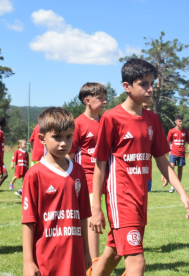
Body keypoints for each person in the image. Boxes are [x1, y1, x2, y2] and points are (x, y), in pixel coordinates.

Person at [90, 58, 189, 276]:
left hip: (140, 197)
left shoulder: (152, 119)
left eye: (152, 83)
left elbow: (162, 160)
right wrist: (95, 206)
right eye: (144, 84)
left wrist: (182, 193)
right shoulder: (111, 118)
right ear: (127, 87)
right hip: (121, 197)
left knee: (114, 251)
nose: (150, 89)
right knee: (137, 261)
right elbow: (100, 163)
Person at [22, 107, 91, 276]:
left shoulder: (79, 172)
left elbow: (83, 215)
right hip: (47, 257)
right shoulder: (35, 174)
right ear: (42, 139)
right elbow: (28, 221)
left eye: (68, 137)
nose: (63, 143)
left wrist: (86, 251)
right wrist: (28, 262)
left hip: (75, 255)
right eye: (57, 137)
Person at [68, 82, 107, 268]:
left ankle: (98, 263)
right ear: (87, 100)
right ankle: (92, 265)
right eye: (100, 98)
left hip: (109, 179)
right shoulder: (78, 124)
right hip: (88, 179)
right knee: (93, 219)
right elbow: (68, 155)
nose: (105, 101)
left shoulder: (107, 121)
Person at [163, 115, 189, 193]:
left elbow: (188, 142)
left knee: (180, 171)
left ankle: (178, 187)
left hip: (182, 154)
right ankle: (173, 186)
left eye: (182, 121)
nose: (181, 122)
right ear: (175, 122)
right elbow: (167, 142)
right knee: (171, 168)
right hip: (173, 153)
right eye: (179, 121)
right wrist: (165, 152)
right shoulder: (172, 131)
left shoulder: (185, 131)